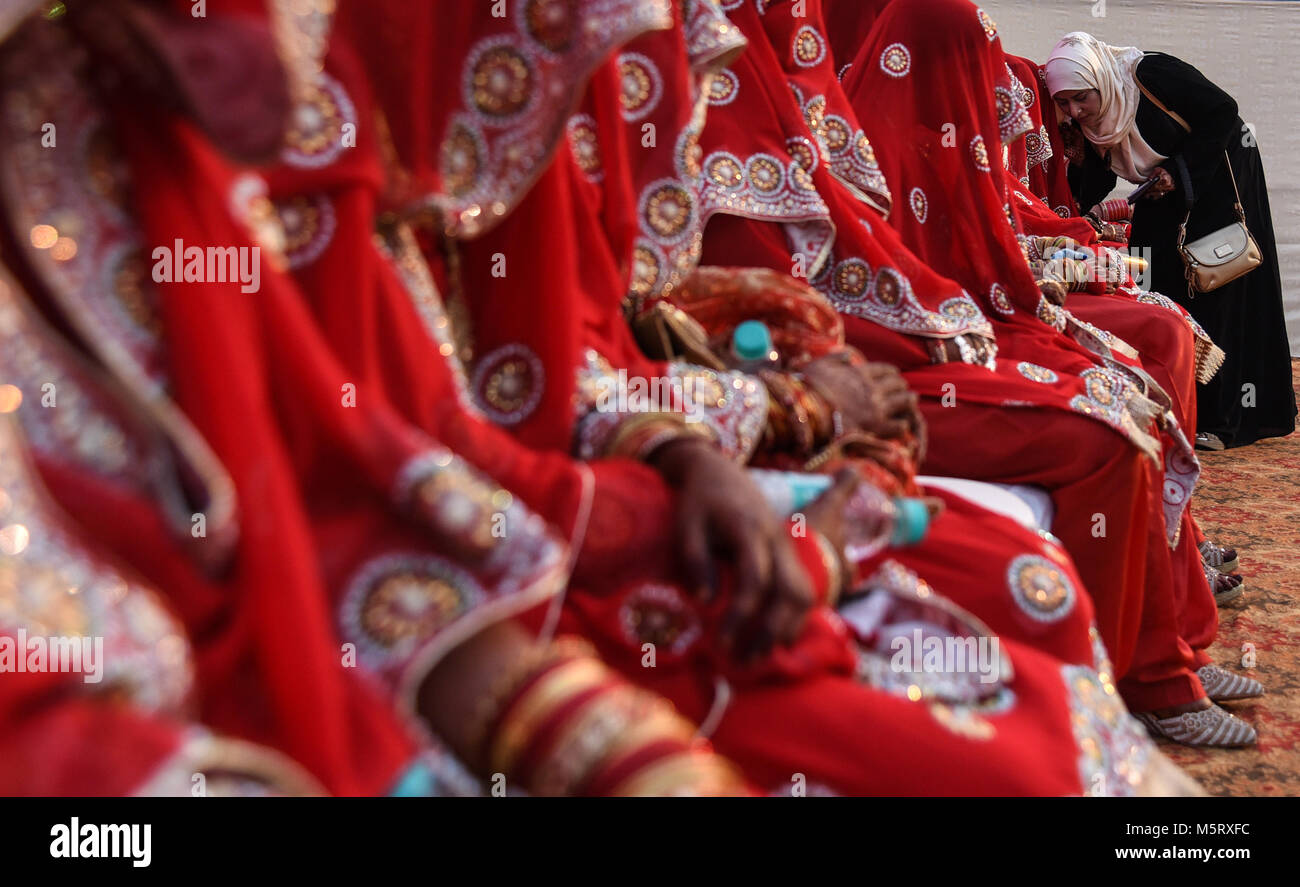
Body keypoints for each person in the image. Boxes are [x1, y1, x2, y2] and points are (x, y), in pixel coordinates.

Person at [838, 0, 1262, 744]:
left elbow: (998, 229)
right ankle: (1151, 675)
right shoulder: (869, 138)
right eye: (976, 71)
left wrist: (1052, 276)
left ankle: (1177, 647)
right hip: (895, 355)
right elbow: (918, 274)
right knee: (1116, 402)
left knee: (1134, 365)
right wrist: (1037, 291)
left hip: (949, 328)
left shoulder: (927, 130)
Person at [1046, 32, 1296, 450]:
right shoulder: (1090, 119)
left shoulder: (1149, 74)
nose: (1074, 111)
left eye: (1081, 98)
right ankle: (1175, 403)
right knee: (1154, 279)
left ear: (1099, 80)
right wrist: (1069, 183)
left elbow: (1221, 112)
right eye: (1064, 102)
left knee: (1216, 281)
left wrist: (1179, 173)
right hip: (1160, 188)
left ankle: (1220, 418)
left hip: (1216, 177)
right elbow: (1099, 179)